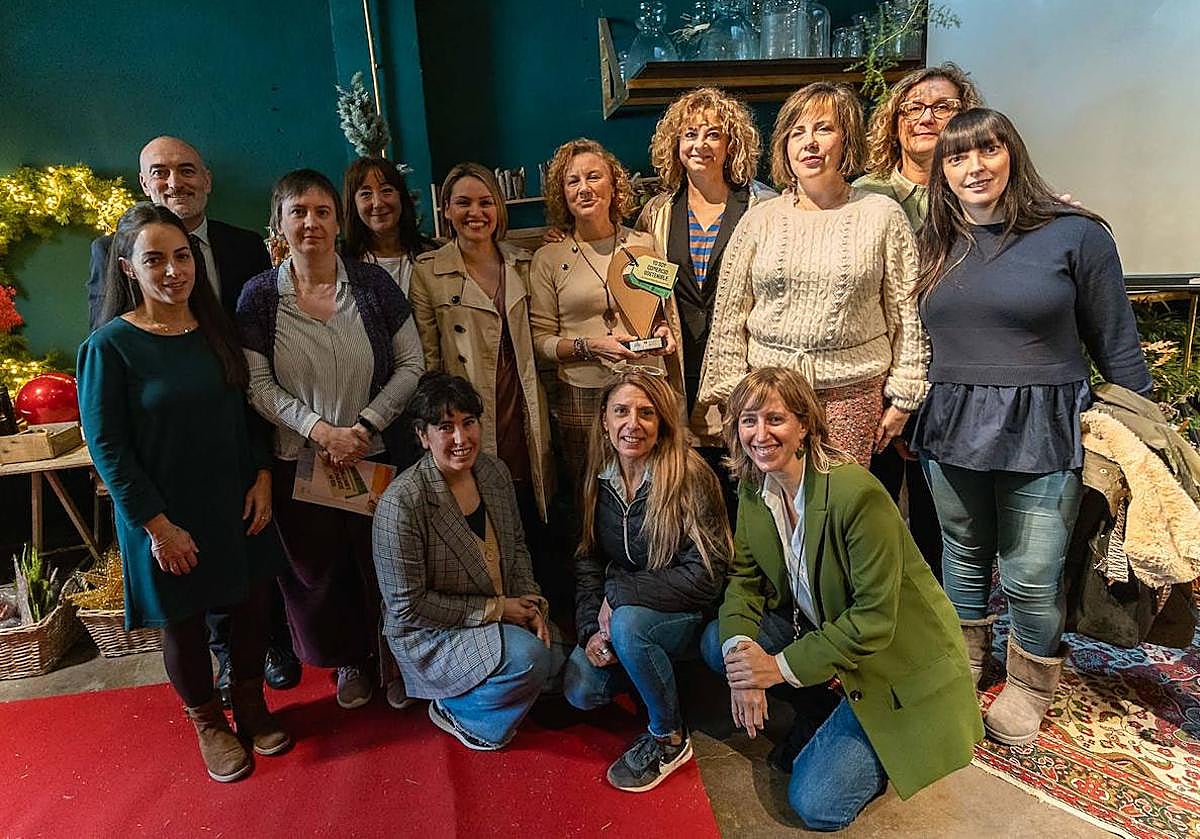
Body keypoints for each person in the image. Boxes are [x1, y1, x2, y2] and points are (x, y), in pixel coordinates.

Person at [912, 109, 1152, 744]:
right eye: (957, 157)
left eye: (986, 151)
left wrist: (1139, 430)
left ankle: (1027, 683)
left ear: (1012, 154)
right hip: (952, 420)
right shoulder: (931, 237)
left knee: (1030, 571)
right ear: (942, 171)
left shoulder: (1077, 234)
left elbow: (1118, 345)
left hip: (1045, 423)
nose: (974, 167)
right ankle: (964, 661)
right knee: (961, 556)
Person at [700, 367, 981, 831]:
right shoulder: (755, 489)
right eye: (748, 420)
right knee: (718, 641)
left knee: (817, 805)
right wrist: (743, 663)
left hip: (892, 659)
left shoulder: (855, 493)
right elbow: (745, 582)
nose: (760, 434)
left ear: (804, 425)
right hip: (827, 631)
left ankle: (877, 737)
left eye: (775, 419)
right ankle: (828, 714)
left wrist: (776, 669)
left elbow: (872, 621)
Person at [78, 203, 291, 783]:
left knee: (251, 605)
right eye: (155, 259)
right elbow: (108, 448)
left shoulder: (214, 326)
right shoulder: (109, 347)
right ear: (128, 269)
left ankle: (249, 703)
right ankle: (208, 723)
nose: (172, 270)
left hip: (236, 496)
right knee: (185, 620)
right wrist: (157, 526)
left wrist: (263, 477)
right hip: (163, 513)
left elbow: (246, 415)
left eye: (181, 256)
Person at [237, 169, 424, 711]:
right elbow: (256, 383)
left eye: (322, 211)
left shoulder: (372, 287)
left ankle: (394, 658)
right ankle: (350, 661)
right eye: (298, 212)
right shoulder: (258, 296)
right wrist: (319, 431)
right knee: (319, 572)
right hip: (302, 460)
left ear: (339, 223)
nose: (311, 222)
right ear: (278, 224)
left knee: (383, 563)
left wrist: (363, 428)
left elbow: (412, 363)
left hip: (374, 454)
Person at [696, 82, 928, 468]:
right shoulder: (760, 220)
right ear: (785, 145)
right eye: (797, 132)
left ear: (846, 139)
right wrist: (736, 398)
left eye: (823, 129)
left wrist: (903, 398)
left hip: (852, 398)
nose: (810, 143)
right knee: (776, 511)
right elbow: (729, 319)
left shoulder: (881, 215)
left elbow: (907, 314)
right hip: (768, 398)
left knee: (840, 514)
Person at [563, 369, 731, 792]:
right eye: (621, 411)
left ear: (662, 423)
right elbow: (588, 562)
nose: (631, 424)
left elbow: (708, 575)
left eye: (646, 413)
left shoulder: (689, 475)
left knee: (629, 625)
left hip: (685, 612)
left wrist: (618, 598)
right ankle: (652, 673)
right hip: (620, 616)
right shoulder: (598, 476)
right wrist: (588, 631)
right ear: (604, 418)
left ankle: (669, 737)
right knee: (580, 687)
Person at [372, 373, 560, 750]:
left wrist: (531, 603)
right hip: (434, 631)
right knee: (531, 661)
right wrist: (497, 610)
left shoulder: (493, 471)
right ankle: (458, 710)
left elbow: (517, 546)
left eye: (469, 423)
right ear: (423, 436)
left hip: (497, 608)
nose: (462, 439)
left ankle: (496, 687)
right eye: (446, 427)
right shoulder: (401, 505)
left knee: (558, 668)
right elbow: (407, 608)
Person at [852, 64, 985, 579]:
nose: (927, 117)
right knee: (875, 516)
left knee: (947, 524)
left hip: (957, 376)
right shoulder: (864, 195)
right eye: (914, 107)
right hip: (881, 377)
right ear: (894, 121)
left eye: (943, 107)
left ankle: (944, 630)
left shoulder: (981, 194)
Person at [637, 87, 777, 511]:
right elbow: (643, 288)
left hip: (744, 360)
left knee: (750, 481)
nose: (700, 145)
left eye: (713, 134)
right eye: (689, 135)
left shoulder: (761, 205)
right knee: (693, 485)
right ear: (675, 146)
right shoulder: (657, 212)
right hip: (680, 362)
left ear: (731, 143)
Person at [409, 162, 554, 545]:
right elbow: (429, 363)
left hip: (523, 404)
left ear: (499, 209)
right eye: (463, 203)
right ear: (446, 211)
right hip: (468, 410)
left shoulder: (524, 262)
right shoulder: (428, 273)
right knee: (483, 513)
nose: (476, 213)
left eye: (486, 202)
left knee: (532, 506)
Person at [529, 138, 682, 489]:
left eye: (594, 177)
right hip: (584, 395)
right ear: (562, 194)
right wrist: (593, 346)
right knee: (590, 494)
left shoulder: (643, 244)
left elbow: (658, 313)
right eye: (573, 181)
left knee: (654, 488)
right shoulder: (549, 258)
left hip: (645, 387)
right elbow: (540, 342)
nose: (584, 189)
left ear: (614, 186)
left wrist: (662, 331)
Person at [342, 156, 437, 295]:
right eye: (366, 194)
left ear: (401, 197)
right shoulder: (343, 263)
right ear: (353, 204)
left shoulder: (429, 254)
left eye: (386, 190)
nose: (378, 203)